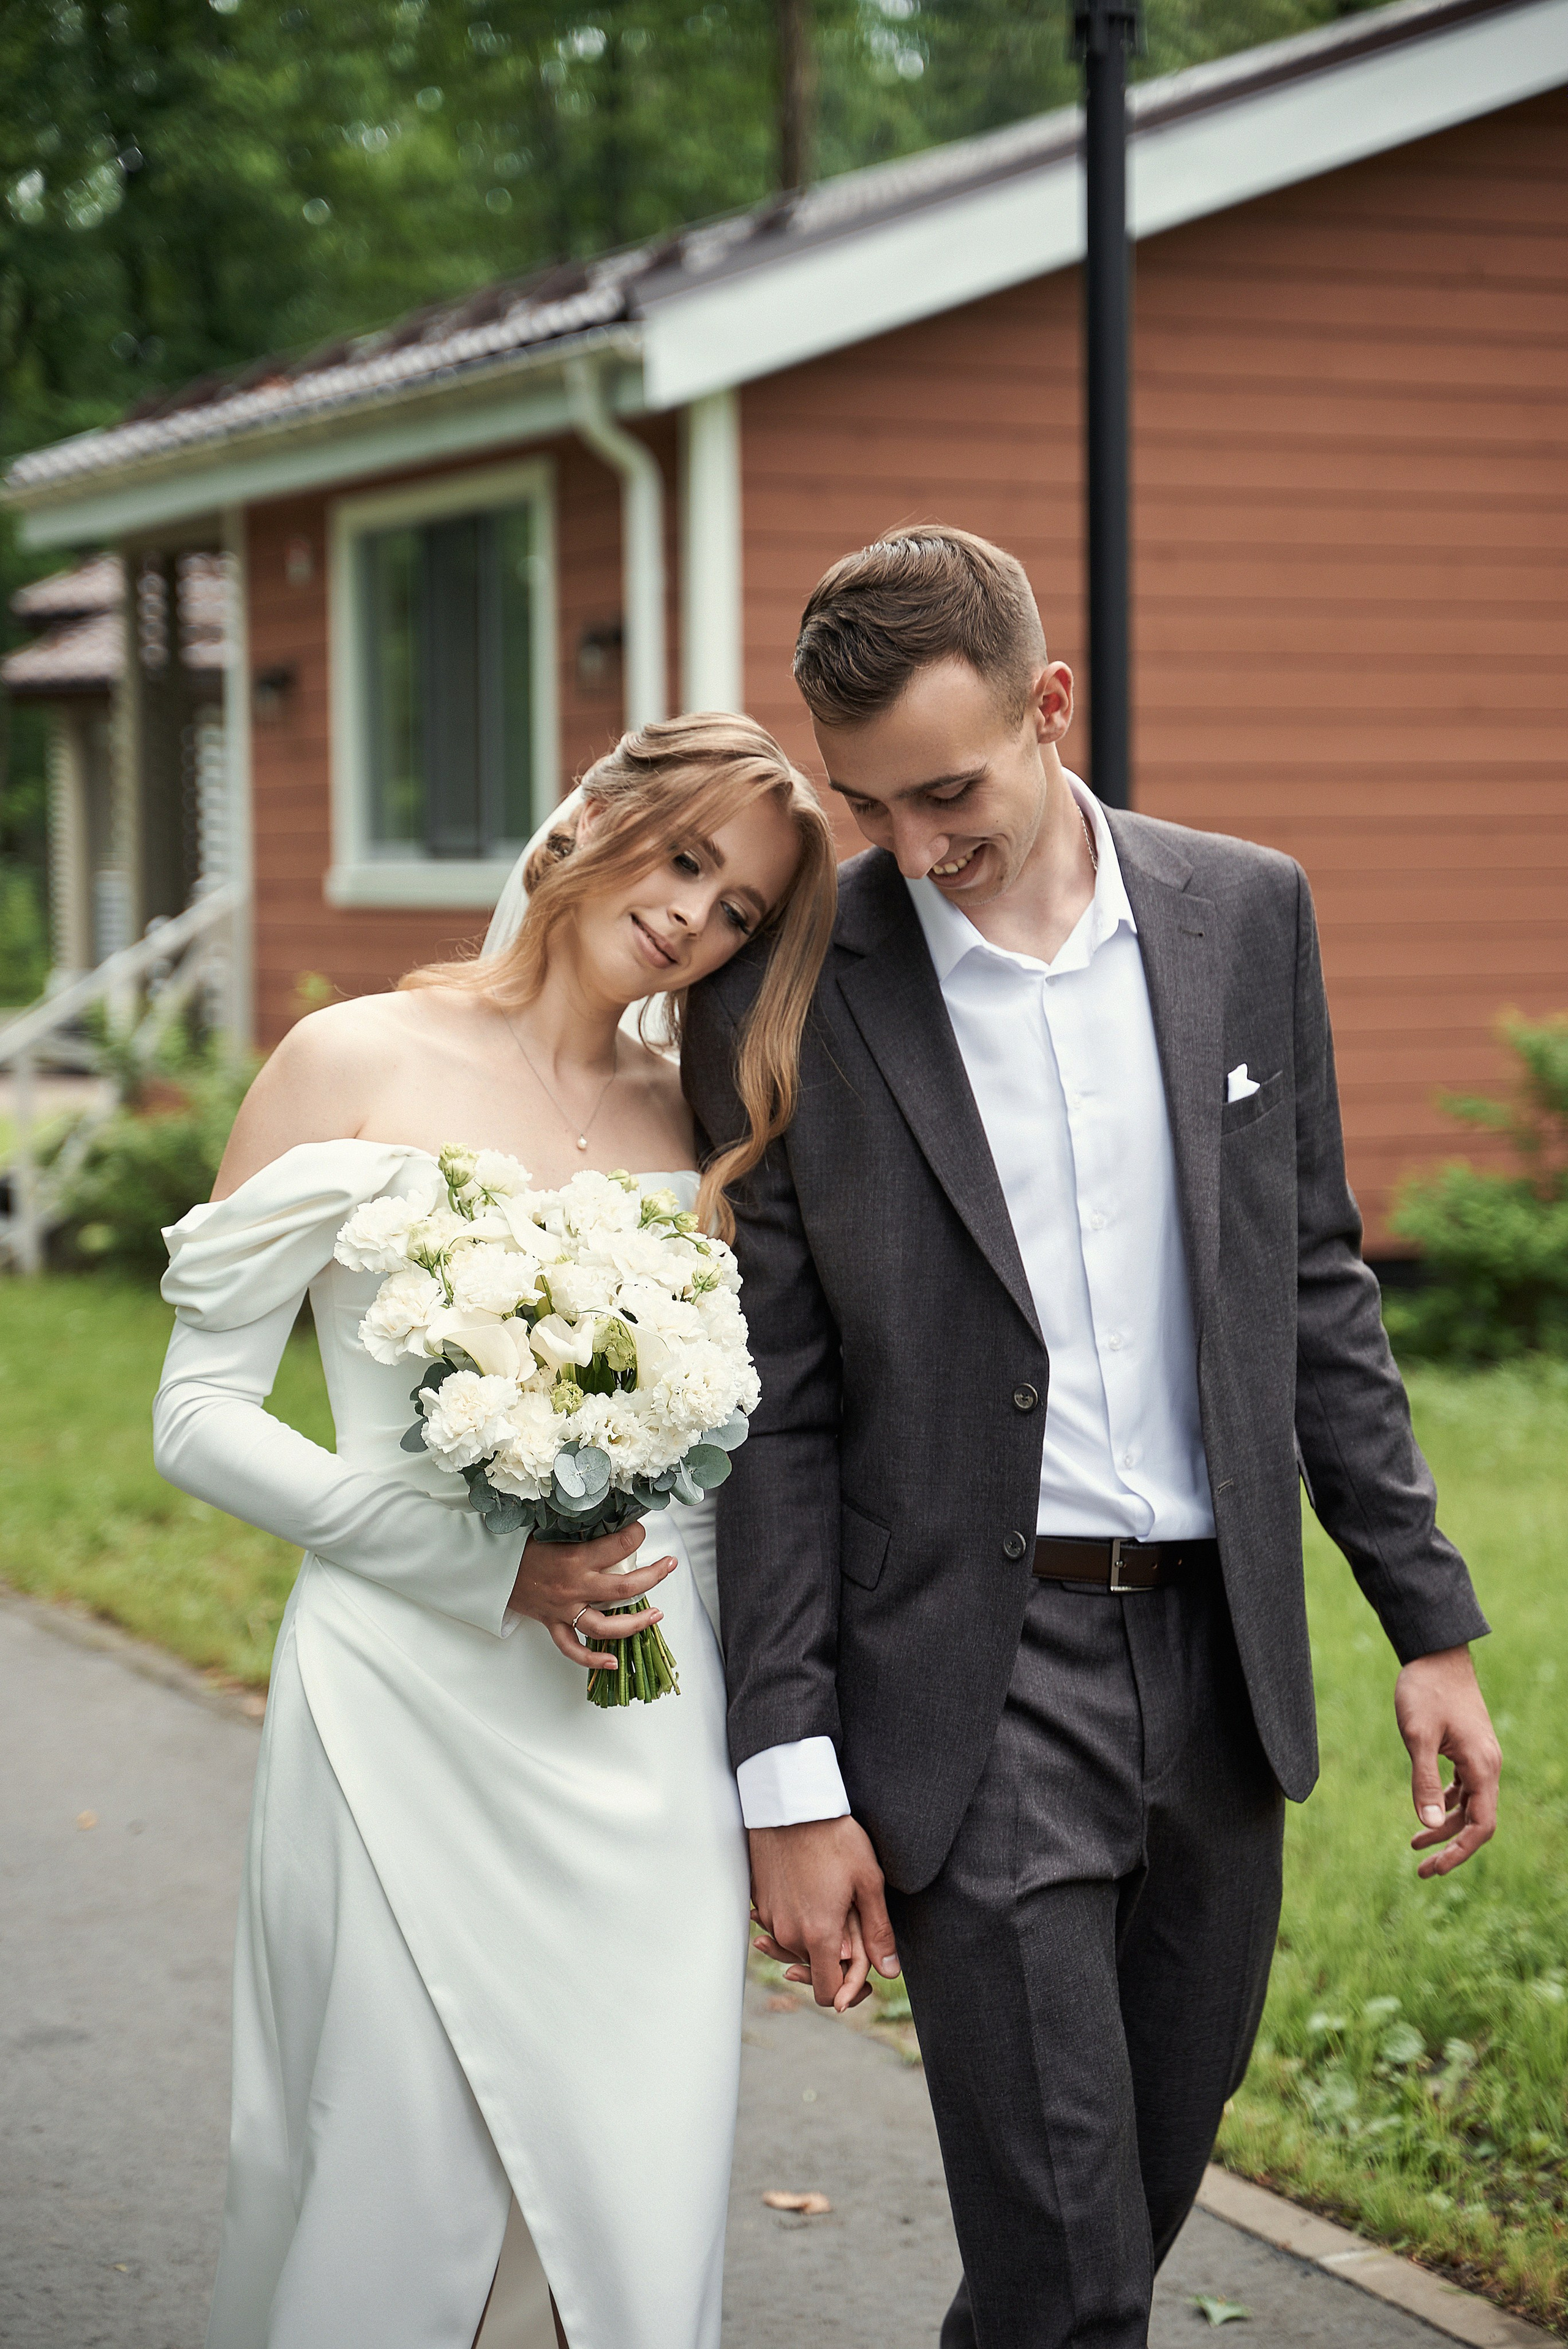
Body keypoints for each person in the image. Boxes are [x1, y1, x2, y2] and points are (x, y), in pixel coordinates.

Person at [680, 528, 1503, 2349]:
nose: (912, 847)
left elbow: (1311, 1280)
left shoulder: (1245, 913)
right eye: (867, 804)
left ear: (1052, 704)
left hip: (1221, 1671)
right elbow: (781, 1417)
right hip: (975, 1687)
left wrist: (1425, 1620)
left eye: (950, 791)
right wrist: (788, 1774)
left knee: (1114, 2213)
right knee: (1076, 2275)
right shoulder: (794, 986)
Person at [153, 714, 837, 2349]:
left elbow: (740, 1470)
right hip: (404, 1702)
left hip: (644, 1732)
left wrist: (770, 1761)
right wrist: (487, 1563)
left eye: (738, 909)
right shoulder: (350, 1058)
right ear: (592, 814)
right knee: (395, 2161)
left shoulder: (704, 1120)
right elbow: (196, 1417)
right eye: (685, 859)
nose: (696, 916)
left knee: (625, 2173)